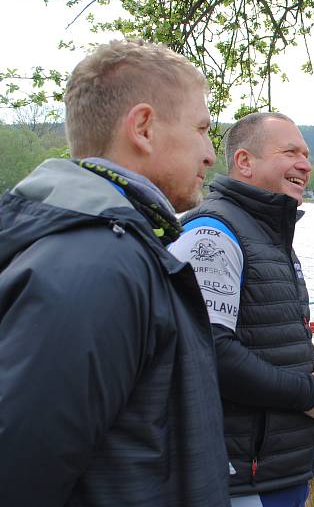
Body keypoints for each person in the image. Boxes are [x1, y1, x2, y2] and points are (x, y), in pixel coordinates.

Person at [0, 40, 229, 506]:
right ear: (143, 128)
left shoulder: (120, 251)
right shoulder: (98, 266)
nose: (209, 154)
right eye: (203, 129)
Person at [168, 112, 314, 506]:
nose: (306, 163)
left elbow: (270, 337)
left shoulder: (268, 233)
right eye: (290, 152)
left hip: (279, 468)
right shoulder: (212, 233)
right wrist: (309, 390)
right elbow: (209, 351)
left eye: (307, 153)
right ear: (245, 162)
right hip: (241, 475)